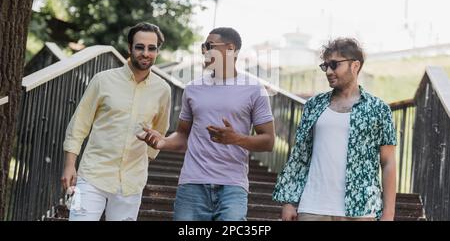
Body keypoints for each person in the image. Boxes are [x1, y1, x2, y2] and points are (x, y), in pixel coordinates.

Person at [139, 27, 275, 221]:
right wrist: (163, 142)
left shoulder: (255, 89)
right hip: (192, 183)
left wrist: (236, 139)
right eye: (203, 46)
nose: (203, 51)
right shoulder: (193, 88)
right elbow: (182, 135)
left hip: (232, 186)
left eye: (209, 46)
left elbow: (269, 141)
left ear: (230, 49)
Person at [273, 38, 397, 221]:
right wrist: (288, 202)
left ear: (355, 66)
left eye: (334, 65)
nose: (329, 71)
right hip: (313, 207)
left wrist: (388, 214)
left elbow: (388, 163)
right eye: (325, 66)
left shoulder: (378, 109)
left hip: (361, 209)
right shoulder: (314, 105)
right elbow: (299, 155)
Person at [61, 22, 171, 221]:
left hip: (131, 183)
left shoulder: (163, 90)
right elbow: (79, 124)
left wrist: (147, 157)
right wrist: (70, 165)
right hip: (92, 176)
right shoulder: (102, 80)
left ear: (157, 51)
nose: (145, 53)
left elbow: (161, 129)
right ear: (129, 48)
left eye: (151, 48)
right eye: (139, 47)